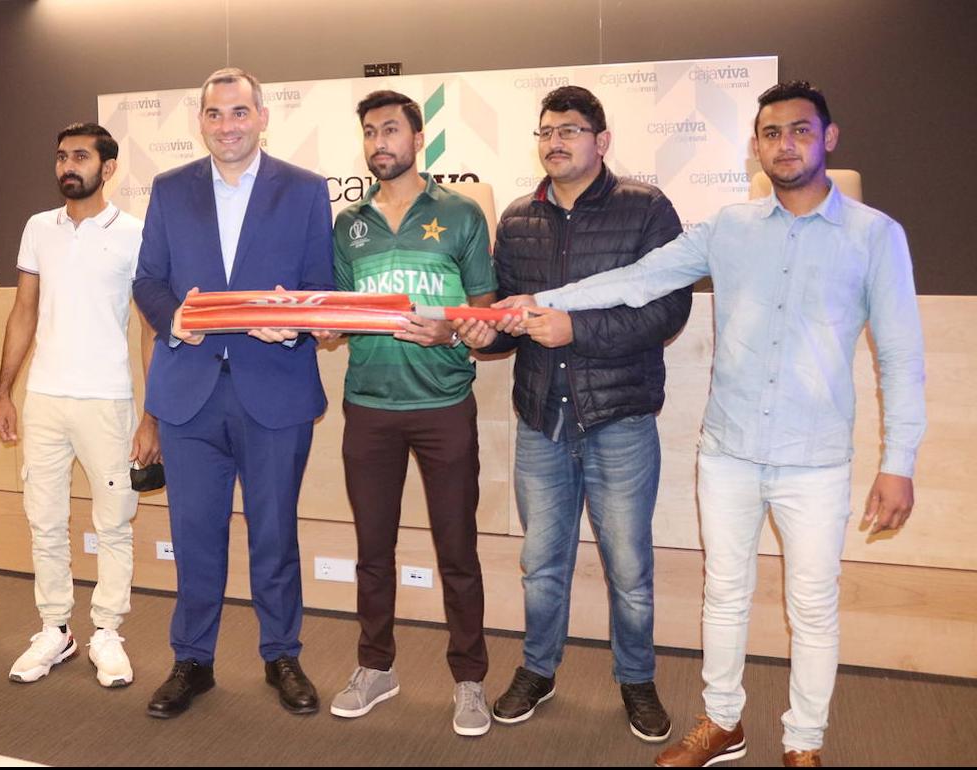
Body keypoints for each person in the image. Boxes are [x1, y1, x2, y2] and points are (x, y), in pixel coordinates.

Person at [482, 81, 926, 767]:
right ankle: (723, 723)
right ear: (756, 146)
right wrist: (536, 301)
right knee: (725, 596)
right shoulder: (728, 228)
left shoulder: (875, 237)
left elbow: (901, 357)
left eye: (801, 131)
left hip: (815, 460)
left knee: (811, 608)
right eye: (772, 134)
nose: (786, 145)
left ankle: (803, 743)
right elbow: (635, 280)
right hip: (729, 453)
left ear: (828, 139)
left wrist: (899, 461)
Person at [457, 85, 691, 742]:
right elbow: (509, 317)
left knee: (630, 567)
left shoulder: (646, 210)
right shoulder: (518, 217)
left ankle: (637, 679)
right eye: (546, 131)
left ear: (602, 140)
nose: (555, 142)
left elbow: (667, 311)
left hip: (619, 419)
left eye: (570, 130)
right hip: (541, 422)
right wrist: (488, 334)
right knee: (542, 561)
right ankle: (538, 669)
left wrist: (575, 330)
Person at [132, 67, 334, 719]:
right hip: (189, 395)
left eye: (239, 113)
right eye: (215, 115)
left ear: (263, 117)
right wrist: (174, 320)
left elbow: (320, 287)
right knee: (194, 535)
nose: (227, 126)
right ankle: (193, 661)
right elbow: (149, 282)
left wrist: (295, 323)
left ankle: (281, 656)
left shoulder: (304, 191)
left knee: (274, 533)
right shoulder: (168, 190)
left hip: (274, 390)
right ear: (201, 122)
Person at [325, 90, 498, 736]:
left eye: (390, 130)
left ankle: (470, 679)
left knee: (458, 550)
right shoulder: (350, 225)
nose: (378, 144)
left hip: (444, 407)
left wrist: (451, 330)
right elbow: (340, 322)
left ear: (419, 138)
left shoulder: (461, 216)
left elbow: (485, 313)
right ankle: (377, 667)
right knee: (373, 550)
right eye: (369, 133)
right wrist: (321, 330)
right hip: (368, 409)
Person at [0, 123, 159, 688]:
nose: (69, 165)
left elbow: (151, 330)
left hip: (108, 400)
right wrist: (2, 392)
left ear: (108, 167)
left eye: (81, 156)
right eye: (62, 156)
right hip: (44, 398)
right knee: (45, 519)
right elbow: (23, 313)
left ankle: (107, 632)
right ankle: (55, 629)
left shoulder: (136, 234)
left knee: (113, 523)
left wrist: (150, 414)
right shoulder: (39, 228)